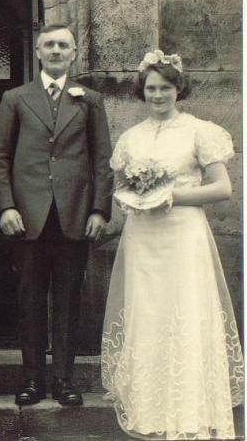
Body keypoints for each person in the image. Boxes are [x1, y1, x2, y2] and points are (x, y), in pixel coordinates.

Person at [101, 50, 244, 439]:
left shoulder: (200, 131)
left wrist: (173, 196)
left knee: (184, 313)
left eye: (165, 87)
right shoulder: (132, 138)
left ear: (178, 89)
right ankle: (150, 410)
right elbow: (119, 188)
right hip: (144, 237)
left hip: (183, 235)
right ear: (141, 91)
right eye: (151, 88)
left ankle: (189, 414)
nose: (158, 95)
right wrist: (132, 195)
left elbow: (222, 189)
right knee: (148, 313)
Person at [0, 24, 113, 407]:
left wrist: (99, 209)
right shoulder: (15, 98)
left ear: (74, 53)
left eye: (63, 45)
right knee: (29, 299)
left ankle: (63, 379)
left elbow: (102, 159)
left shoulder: (88, 100)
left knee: (68, 299)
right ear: (38, 51)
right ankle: (32, 380)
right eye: (49, 45)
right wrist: (6, 206)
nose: (56, 51)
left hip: (74, 213)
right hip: (27, 215)